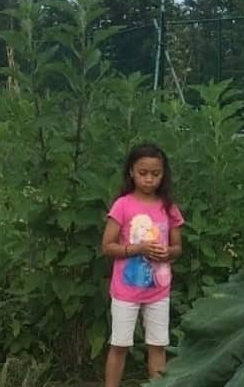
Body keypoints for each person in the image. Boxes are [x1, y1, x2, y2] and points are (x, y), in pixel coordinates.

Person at [101, 143, 184, 386]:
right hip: (126, 291)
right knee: (119, 345)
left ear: (163, 174)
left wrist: (167, 253)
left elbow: (178, 247)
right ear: (131, 172)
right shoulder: (123, 205)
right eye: (143, 173)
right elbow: (107, 246)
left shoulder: (169, 207)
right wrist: (138, 249)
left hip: (158, 291)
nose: (149, 179)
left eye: (155, 174)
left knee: (157, 346)